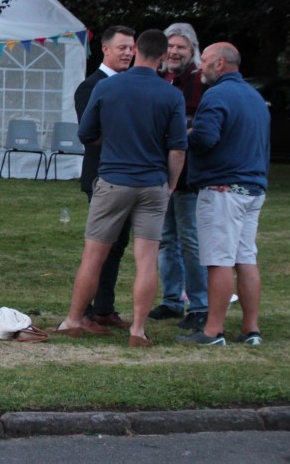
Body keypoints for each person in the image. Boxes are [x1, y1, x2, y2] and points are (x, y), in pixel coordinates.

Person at [56, 29, 187, 347]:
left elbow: (86, 133)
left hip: (114, 180)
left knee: (93, 256)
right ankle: (138, 330)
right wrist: (170, 184)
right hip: (153, 183)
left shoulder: (107, 86)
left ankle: (73, 320)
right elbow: (178, 148)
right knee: (146, 260)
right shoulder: (171, 94)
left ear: (137, 49)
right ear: (162, 56)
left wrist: (114, 140)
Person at [177, 43, 270, 346]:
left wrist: (184, 135)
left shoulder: (217, 95)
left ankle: (213, 331)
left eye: (204, 60)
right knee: (245, 258)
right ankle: (251, 330)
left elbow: (205, 138)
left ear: (219, 63)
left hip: (222, 188)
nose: (199, 66)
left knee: (219, 260)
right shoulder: (254, 97)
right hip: (253, 188)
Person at [73, 25, 136, 333]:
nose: (128, 53)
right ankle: (83, 312)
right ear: (106, 49)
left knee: (118, 246)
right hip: (102, 177)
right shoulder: (90, 86)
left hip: (127, 178)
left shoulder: (131, 85)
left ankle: (104, 308)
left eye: (131, 48)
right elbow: (90, 134)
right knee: (99, 248)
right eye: (122, 47)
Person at [151, 22, 209, 330]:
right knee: (165, 240)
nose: (174, 52)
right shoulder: (158, 78)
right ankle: (171, 300)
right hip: (159, 173)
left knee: (190, 241)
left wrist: (178, 134)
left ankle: (199, 305)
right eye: (170, 46)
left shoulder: (201, 81)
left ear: (192, 50)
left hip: (190, 175)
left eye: (181, 47)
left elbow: (205, 126)